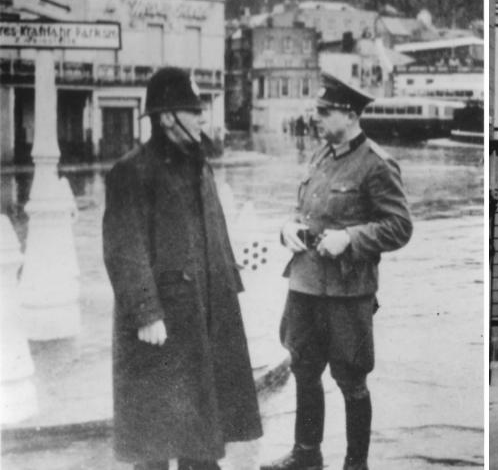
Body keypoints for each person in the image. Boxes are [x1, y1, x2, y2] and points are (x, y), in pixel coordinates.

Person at [102, 68, 262, 470]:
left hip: (204, 316)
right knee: (154, 440)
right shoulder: (131, 170)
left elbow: (215, 226)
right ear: (167, 116)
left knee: (202, 435)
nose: (202, 117)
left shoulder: (199, 164)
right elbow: (124, 247)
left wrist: (229, 282)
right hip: (160, 326)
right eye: (193, 110)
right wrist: (145, 313)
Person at [261, 73, 413, 470]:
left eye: (324, 112)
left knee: (352, 382)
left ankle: (355, 464)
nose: (316, 119)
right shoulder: (320, 156)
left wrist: (351, 238)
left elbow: (400, 227)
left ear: (349, 114)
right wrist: (286, 229)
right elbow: (305, 212)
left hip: (348, 294)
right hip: (305, 285)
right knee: (304, 371)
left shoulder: (376, 164)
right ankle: (306, 456)